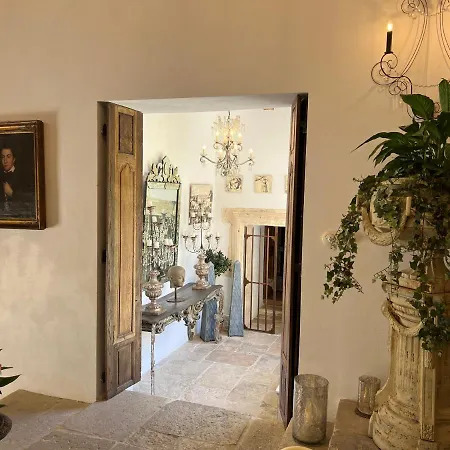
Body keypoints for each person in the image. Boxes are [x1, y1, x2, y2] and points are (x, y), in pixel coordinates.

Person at [0, 147, 34, 215]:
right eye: (3, 157)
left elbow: (31, 199)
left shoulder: (24, 176)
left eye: (8, 157)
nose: (5, 161)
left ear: (14, 159)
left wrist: (12, 193)